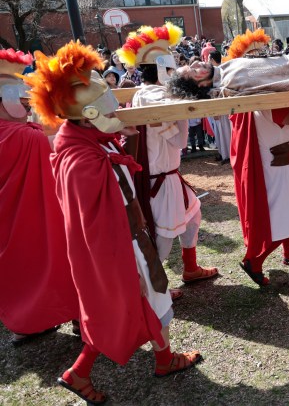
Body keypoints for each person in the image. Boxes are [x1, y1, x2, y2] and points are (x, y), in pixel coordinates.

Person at [24, 41, 202, 405]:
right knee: (132, 305)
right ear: (88, 113)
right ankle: (87, 371)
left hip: (131, 237)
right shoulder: (78, 157)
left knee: (147, 301)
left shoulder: (89, 139)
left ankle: (157, 359)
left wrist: (124, 142)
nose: (117, 111)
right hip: (119, 245)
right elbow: (92, 222)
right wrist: (121, 263)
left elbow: (117, 173)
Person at [117, 23, 219, 284]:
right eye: (172, 68)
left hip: (168, 174)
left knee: (193, 214)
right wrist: (189, 95)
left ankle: (190, 268)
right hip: (160, 179)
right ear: (164, 68)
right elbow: (179, 140)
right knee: (163, 236)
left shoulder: (153, 92)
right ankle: (152, 288)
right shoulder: (154, 96)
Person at [0, 48, 79, 347]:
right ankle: (75, 316)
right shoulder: (24, 137)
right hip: (36, 217)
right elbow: (60, 141)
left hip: (10, 223)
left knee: (17, 271)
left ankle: (26, 323)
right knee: (56, 261)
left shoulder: (20, 133)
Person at [224, 29, 289, 286]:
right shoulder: (266, 95)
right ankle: (254, 260)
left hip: (281, 157)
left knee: (287, 210)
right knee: (282, 215)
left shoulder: (258, 91)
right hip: (275, 163)